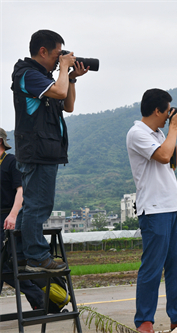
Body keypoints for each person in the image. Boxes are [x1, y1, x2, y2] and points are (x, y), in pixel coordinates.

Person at [126, 88, 177, 333]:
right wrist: (173, 130)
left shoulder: (161, 132)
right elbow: (161, 156)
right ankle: (145, 322)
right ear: (157, 110)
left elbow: (171, 163)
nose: (170, 115)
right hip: (154, 210)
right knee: (152, 267)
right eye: (168, 111)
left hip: (173, 206)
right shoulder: (137, 132)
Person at [11, 30, 89, 272]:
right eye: (58, 54)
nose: (60, 59)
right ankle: (37, 256)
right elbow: (59, 92)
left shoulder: (45, 78)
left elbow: (68, 104)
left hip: (44, 149)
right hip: (37, 150)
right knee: (39, 204)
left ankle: (23, 252)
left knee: (33, 203)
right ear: (42, 51)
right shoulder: (27, 74)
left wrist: (72, 76)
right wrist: (64, 70)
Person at [0, 127, 45, 310]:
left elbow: (21, 190)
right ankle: (38, 298)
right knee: (4, 268)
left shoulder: (11, 162)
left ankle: (38, 297)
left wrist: (13, 215)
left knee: (6, 265)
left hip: (8, 217)